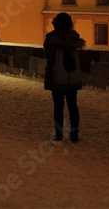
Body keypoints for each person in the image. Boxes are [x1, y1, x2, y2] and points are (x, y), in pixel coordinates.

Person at [43, 12, 85, 142]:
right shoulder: (75, 38)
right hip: (72, 77)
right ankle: (74, 134)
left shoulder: (51, 39)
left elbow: (48, 53)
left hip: (57, 76)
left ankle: (59, 134)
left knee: (58, 106)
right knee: (73, 106)